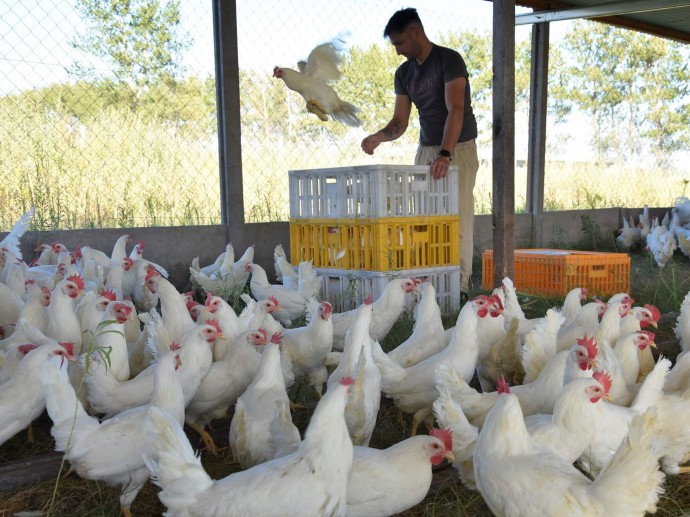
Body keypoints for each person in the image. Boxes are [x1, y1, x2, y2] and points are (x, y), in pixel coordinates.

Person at [361, 7, 479, 301]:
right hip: (427, 150)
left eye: (400, 43)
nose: (398, 51)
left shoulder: (448, 60)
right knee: (426, 219)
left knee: (458, 217)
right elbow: (400, 121)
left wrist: (446, 153)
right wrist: (379, 136)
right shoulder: (403, 73)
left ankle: (461, 286)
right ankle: (431, 285)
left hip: (457, 147)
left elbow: (457, 109)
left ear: (416, 32)